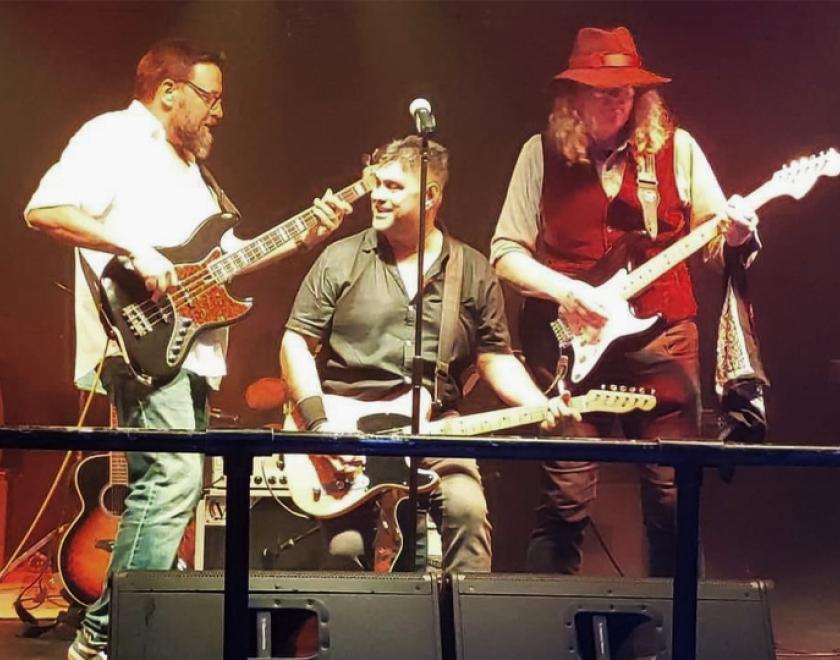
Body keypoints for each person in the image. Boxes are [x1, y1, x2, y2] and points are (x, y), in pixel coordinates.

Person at [24, 39, 350, 660]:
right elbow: (45, 209)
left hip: (191, 354)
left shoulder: (194, 172)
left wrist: (300, 237)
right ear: (168, 90)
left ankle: (123, 634)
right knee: (170, 480)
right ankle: (104, 638)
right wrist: (133, 248)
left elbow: (220, 264)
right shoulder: (114, 137)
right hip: (144, 346)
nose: (219, 112)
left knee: (173, 484)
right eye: (211, 97)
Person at [490, 26, 760, 576]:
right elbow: (504, 252)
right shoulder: (537, 154)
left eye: (626, 89)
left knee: (673, 497)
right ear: (573, 97)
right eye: (601, 88)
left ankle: (682, 636)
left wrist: (734, 237)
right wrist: (565, 289)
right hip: (570, 344)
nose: (616, 99)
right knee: (565, 499)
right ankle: (547, 636)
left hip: (664, 338)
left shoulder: (678, 149)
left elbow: (712, 239)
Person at [280, 135, 575, 573]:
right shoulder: (339, 259)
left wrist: (538, 404)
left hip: (436, 431)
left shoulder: (471, 270)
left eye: (394, 187)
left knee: (468, 515)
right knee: (344, 551)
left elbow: (494, 357)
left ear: (432, 195)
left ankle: (462, 635)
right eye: (376, 183)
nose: (377, 195)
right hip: (347, 438)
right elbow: (295, 343)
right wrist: (321, 430)